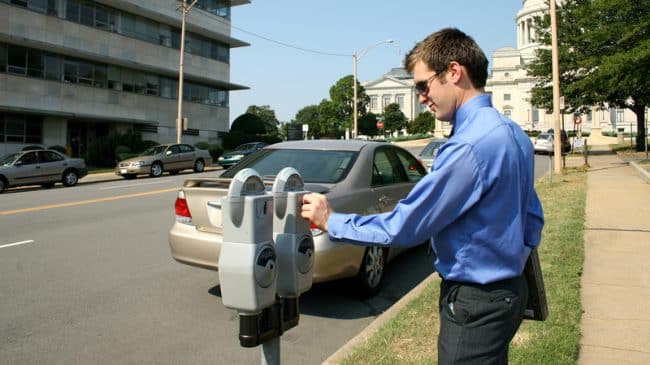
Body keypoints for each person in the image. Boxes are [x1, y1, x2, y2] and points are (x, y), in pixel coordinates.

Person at [301, 28, 544, 364]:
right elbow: (533, 216)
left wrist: (331, 220)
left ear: (454, 72)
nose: (421, 98)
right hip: (509, 291)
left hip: (477, 302)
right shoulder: (513, 133)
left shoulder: (467, 147)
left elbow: (405, 226)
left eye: (422, 85)